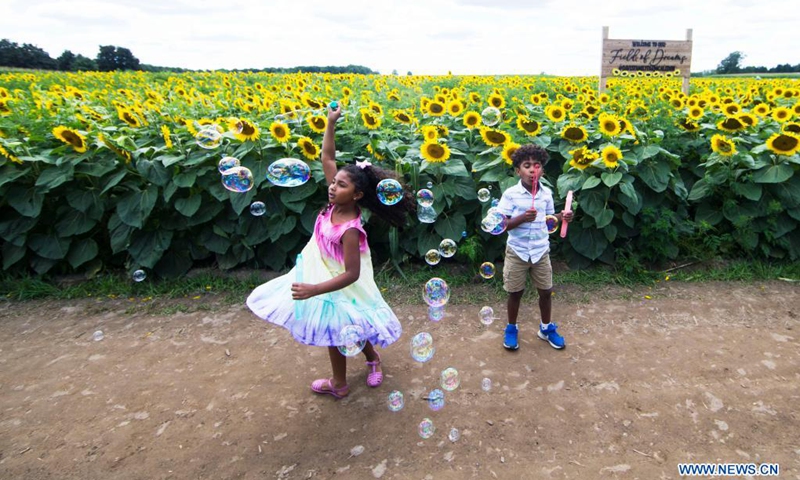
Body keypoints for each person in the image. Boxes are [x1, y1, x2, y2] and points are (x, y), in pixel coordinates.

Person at [246, 104, 415, 399]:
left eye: (341, 185)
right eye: (333, 182)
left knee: (348, 329)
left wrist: (315, 290)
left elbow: (352, 273)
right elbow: (327, 156)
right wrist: (330, 123)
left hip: (338, 284)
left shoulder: (350, 228)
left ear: (358, 195)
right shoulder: (334, 203)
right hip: (317, 272)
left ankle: (369, 361)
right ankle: (345, 378)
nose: (333, 187)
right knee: (339, 331)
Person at [496, 144, 574, 351]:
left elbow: (549, 220)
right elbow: (501, 224)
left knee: (546, 291)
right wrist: (522, 218)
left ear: (543, 170)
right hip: (517, 251)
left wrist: (562, 217)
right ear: (517, 170)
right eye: (527, 165)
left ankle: (546, 328)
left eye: (537, 165)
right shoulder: (511, 194)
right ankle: (511, 328)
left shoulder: (546, 194)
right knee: (515, 293)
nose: (533, 170)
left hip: (541, 251)